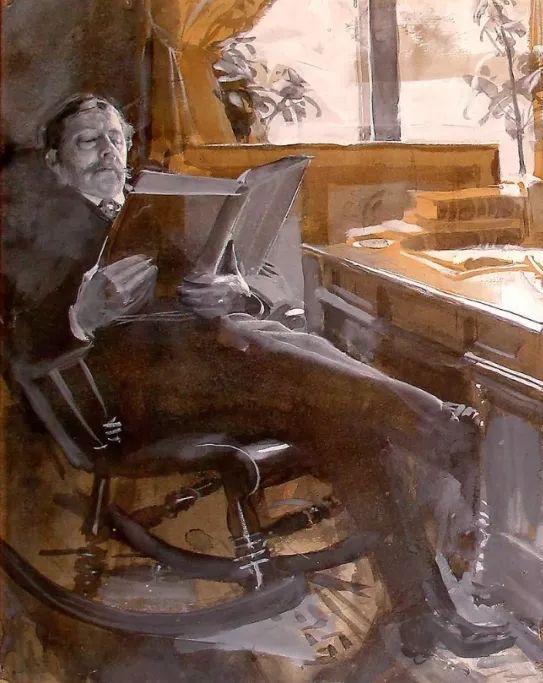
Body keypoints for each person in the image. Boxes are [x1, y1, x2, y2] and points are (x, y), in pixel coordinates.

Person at [0, 93, 508, 660]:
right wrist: (82, 314)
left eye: (115, 139)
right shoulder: (33, 233)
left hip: (206, 379)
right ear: (55, 162)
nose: (107, 153)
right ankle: (446, 430)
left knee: (341, 417)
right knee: (267, 343)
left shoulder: (149, 206)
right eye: (88, 142)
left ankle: (425, 615)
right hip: (124, 403)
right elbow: (20, 341)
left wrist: (235, 292)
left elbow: (240, 277)